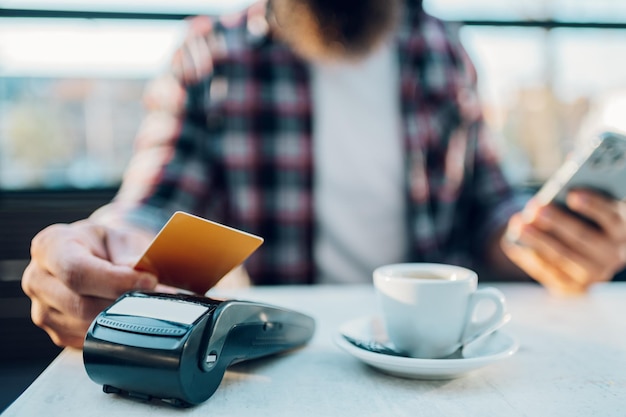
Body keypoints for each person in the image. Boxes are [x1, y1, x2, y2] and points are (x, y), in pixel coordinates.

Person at [21, 0, 626, 349]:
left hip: (432, 359)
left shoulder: (443, 51)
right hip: (282, 354)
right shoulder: (214, 53)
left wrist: (550, 238)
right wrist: (99, 246)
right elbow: (149, 208)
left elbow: (488, 208)